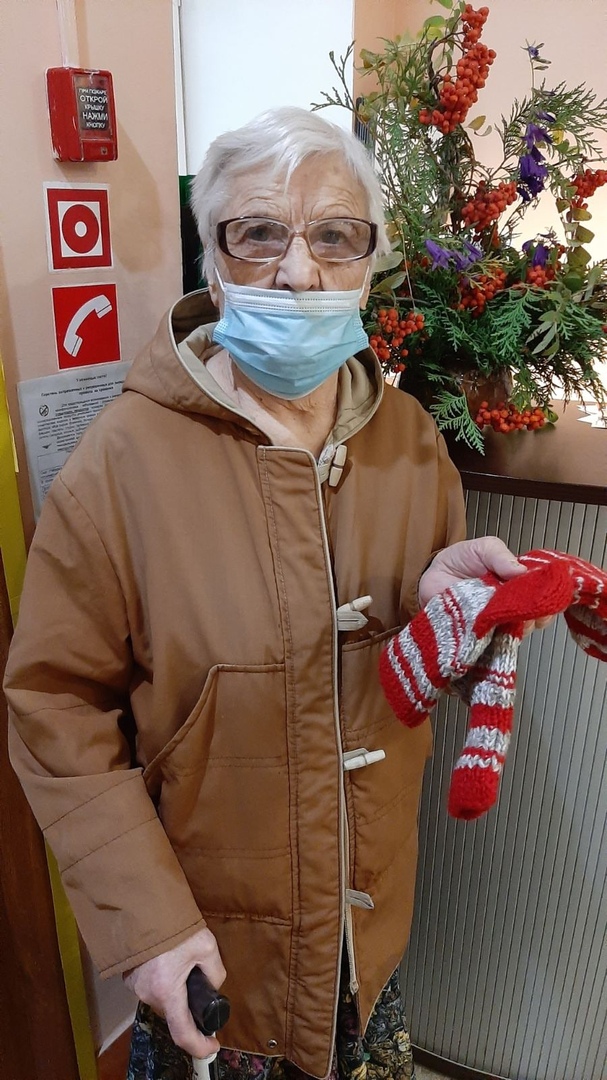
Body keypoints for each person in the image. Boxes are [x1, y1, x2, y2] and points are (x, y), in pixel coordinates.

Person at [4, 107, 542, 1080]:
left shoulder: (410, 439)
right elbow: (54, 704)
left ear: (370, 263)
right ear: (212, 264)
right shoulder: (122, 462)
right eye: (257, 234)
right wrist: (147, 926)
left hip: (365, 937)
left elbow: (414, 669)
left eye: (335, 236)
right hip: (210, 963)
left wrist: (452, 618)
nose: (298, 272)